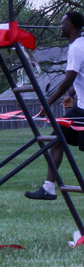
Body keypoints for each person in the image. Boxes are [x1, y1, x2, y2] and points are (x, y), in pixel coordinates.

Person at [25, 11, 84, 200]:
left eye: (63, 23)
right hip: (80, 107)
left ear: (71, 26)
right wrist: (71, 95)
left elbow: (68, 79)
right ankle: (48, 188)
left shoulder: (76, 48)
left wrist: (47, 103)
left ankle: (49, 187)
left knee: (57, 139)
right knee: (56, 139)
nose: (60, 26)